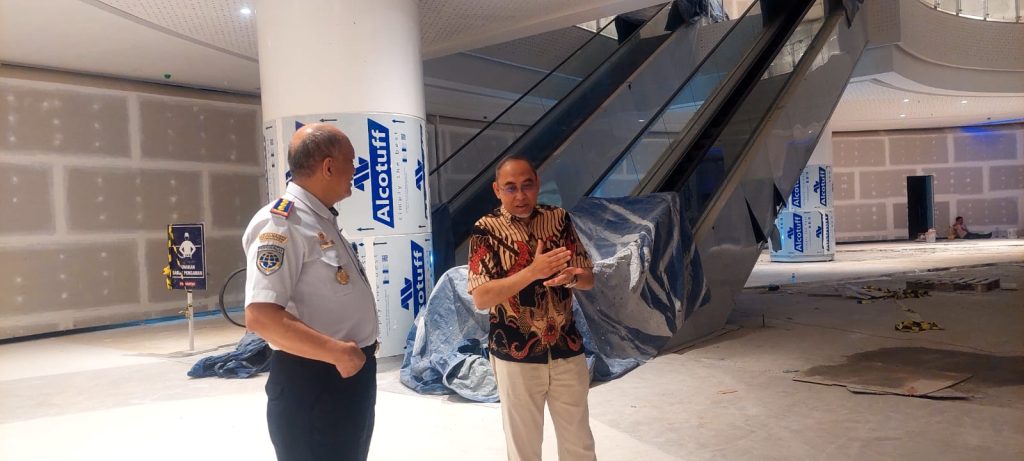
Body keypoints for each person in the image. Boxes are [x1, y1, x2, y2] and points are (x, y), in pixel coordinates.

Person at [242, 123, 379, 461]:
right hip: (315, 381)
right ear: (329, 167)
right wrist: (338, 353)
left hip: (344, 374)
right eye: (352, 161)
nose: (355, 170)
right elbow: (261, 316)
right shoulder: (282, 223)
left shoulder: (319, 219)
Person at [467, 154, 598, 461]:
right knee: (524, 448)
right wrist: (533, 272)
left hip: (566, 347)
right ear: (497, 190)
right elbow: (481, 297)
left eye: (527, 185)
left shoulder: (558, 219)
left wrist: (572, 277)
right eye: (510, 188)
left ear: (538, 184)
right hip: (516, 353)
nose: (520, 195)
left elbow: (588, 279)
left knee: (579, 443)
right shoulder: (486, 230)